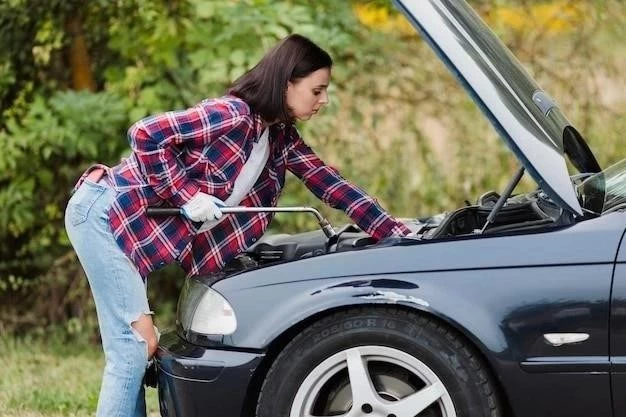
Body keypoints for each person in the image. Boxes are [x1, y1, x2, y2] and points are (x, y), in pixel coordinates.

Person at [64, 33, 411, 417]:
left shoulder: (279, 140)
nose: (323, 101)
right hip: (104, 213)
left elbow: (331, 184)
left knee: (135, 346)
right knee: (133, 346)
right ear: (287, 82)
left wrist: (394, 231)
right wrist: (186, 195)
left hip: (128, 228)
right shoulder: (233, 115)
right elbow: (146, 134)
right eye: (317, 90)